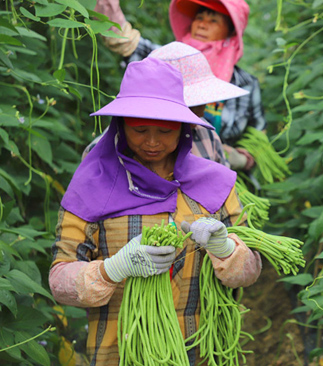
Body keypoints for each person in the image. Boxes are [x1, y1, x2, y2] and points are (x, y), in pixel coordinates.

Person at [49, 57, 262, 366]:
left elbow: (250, 272)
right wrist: (114, 268)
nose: (151, 142)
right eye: (139, 130)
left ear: (184, 129)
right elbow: (59, 281)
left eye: (164, 131)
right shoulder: (91, 185)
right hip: (119, 352)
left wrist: (225, 249)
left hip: (200, 349)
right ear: (120, 125)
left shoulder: (214, 184)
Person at [94, 0, 266, 172]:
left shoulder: (245, 84)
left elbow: (259, 133)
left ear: (231, 31)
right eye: (199, 18)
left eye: (213, 21)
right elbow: (126, 41)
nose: (202, 25)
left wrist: (241, 158)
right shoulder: (164, 62)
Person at [82, 41, 249, 169]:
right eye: (193, 106)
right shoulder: (102, 153)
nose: (201, 112)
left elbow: (224, 192)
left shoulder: (206, 136)